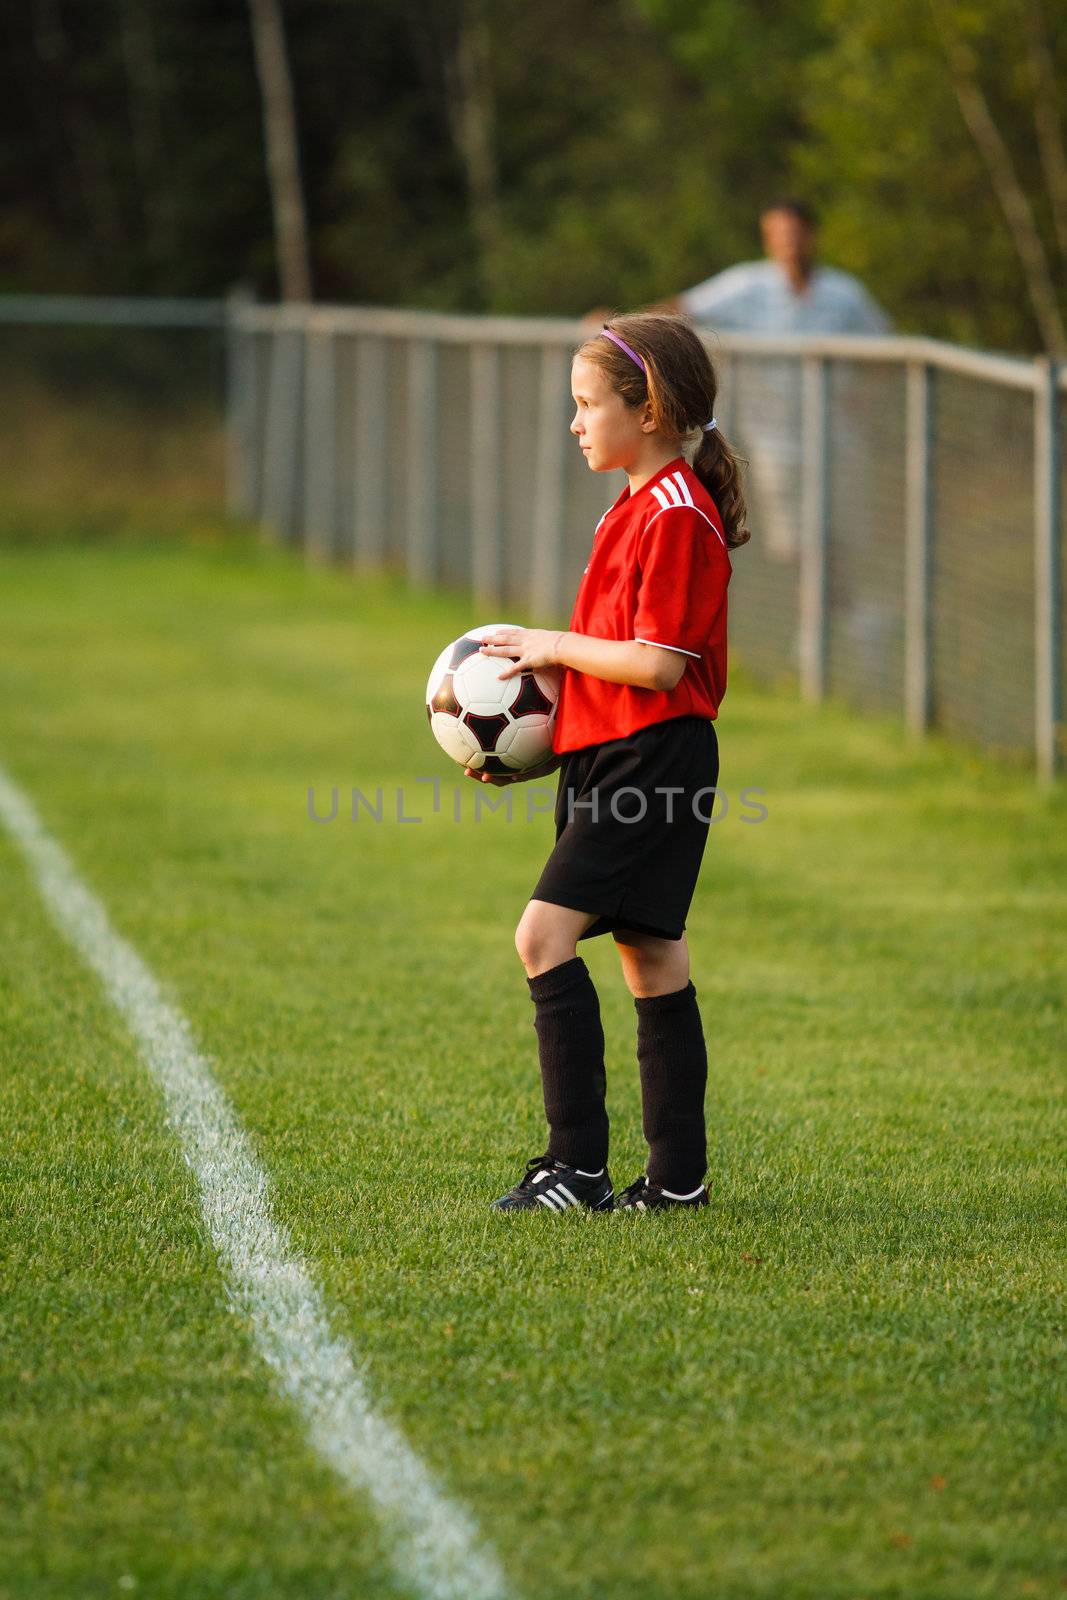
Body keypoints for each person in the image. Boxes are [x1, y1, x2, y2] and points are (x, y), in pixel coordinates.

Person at [463, 312, 748, 1214]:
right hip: (625, 757)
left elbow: (657, 665)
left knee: (540, 938)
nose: (577, 422)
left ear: (650, 410)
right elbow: (617, 670)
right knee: (651, 955)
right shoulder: (629, 506)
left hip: (653, 765)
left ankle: (575, 1168)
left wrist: (550, 640)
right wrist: (533, 755)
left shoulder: (673, 515)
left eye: (588, 405)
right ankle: (676, 1183)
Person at [652, 198, 892, 562]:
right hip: (774, 434)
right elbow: (683, 308)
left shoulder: (844, 292)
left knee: (844, 528)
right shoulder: (747, 285)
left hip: (836, 432)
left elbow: (886, 346)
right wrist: (625, 324)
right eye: (777, 235)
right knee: (792, 540)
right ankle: (812, 607)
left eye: (794, 233)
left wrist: (864, 393)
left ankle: (843, 609)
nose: (787, 243)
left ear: (811, 236)